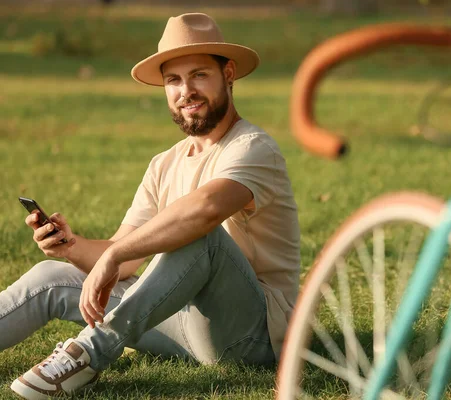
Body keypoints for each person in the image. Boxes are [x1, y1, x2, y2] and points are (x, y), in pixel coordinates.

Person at [2, 13, 300, 399]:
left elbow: (205, 210)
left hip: (253, 336)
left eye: (199, 75)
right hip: (180, 324)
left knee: (200, 237)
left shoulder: (253, 147)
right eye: (173, 80)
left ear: (228, 74)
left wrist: (116, 257)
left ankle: (88, 353)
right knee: (49, 276)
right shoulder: (164, 163)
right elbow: (123, 260)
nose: (185, 91)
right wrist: (71, 247)